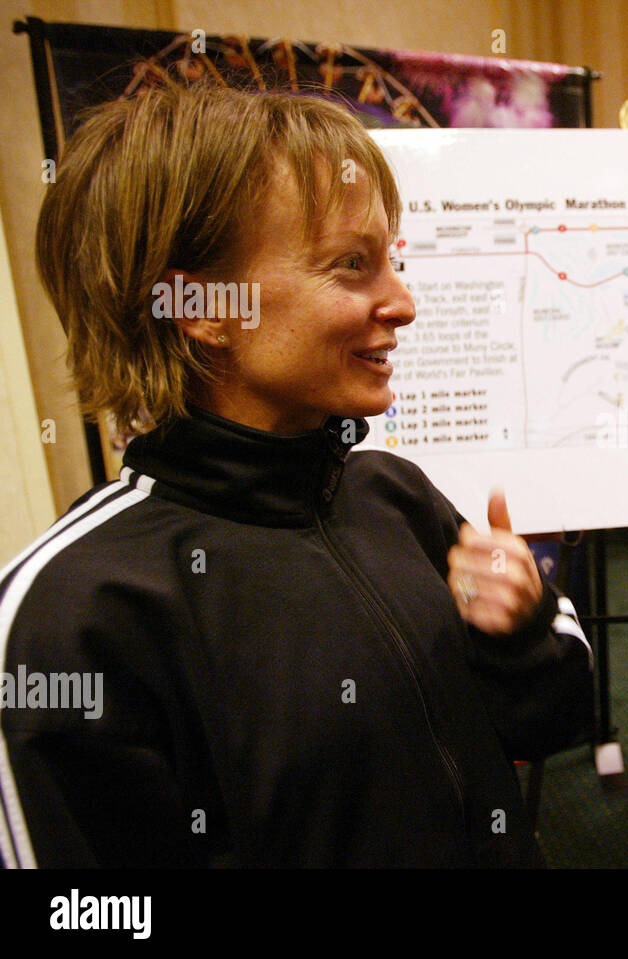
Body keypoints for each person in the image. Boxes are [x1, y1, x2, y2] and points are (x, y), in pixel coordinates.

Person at [1, 84, 591, 867]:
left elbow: (554, 718)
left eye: (393, 261)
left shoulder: (393, 494)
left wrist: (519, 633)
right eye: (351, 266)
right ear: (203, 304)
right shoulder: (74, 617)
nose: (403, 302)